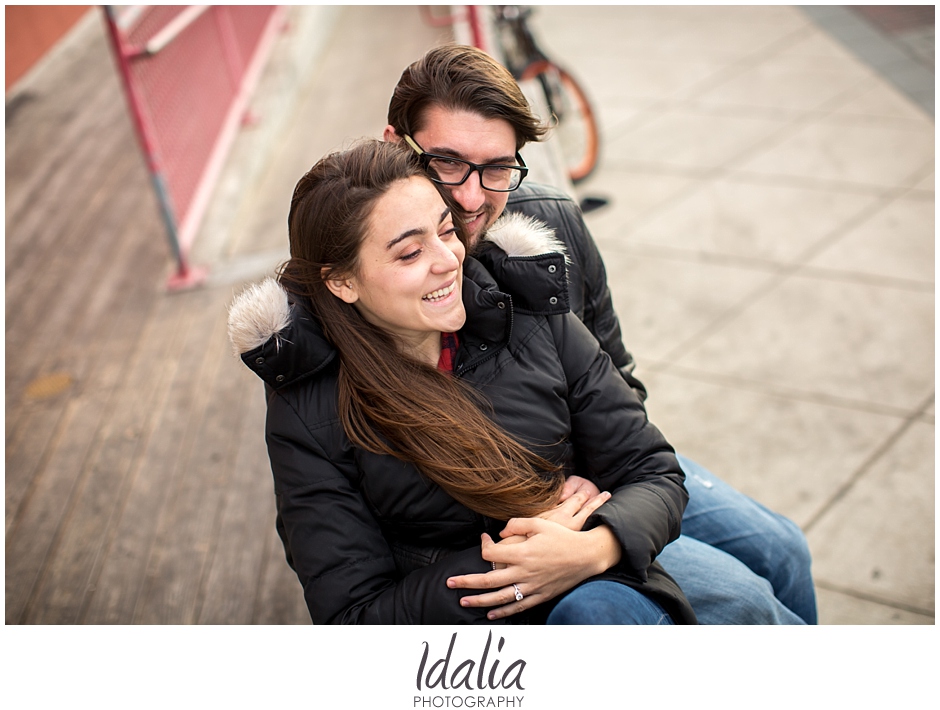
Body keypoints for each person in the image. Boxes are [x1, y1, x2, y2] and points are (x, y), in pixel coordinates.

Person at [377, 44, 817, 625]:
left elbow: (618, 376)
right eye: (447, 162)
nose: (471, 198)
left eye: (499, 168)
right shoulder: (374, 277)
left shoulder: (550, 223)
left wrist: (600, 484)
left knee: (783, 549)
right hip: (511, 525)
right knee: (744, 604)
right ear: (394, 145)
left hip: (605, 473)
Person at [228, 139, 696, 624]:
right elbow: (353, 616)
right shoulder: (308, 414)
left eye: (446, 230)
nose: (448, 260)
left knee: (747, 592)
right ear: (343, 282)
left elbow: (654, 471)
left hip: (602, 568)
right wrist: (523, 557)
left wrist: (594, 548)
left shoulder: (527, 312)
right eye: (410, 253)